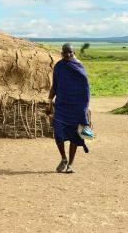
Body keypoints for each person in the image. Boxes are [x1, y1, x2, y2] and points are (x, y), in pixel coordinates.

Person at [47, 43, 91, 174]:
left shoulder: (79, 66)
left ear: (74, 52)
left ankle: (70, 164)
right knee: (58, 133)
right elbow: (55, 84)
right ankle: (63, 159)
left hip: (77, 106)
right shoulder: (59, 67)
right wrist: (50, 100)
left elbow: (85, 88)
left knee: (75, 136)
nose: (68, 55)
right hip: (62, 105)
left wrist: (84, 106)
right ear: (62, 53)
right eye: (65, 52)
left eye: (70, 52)